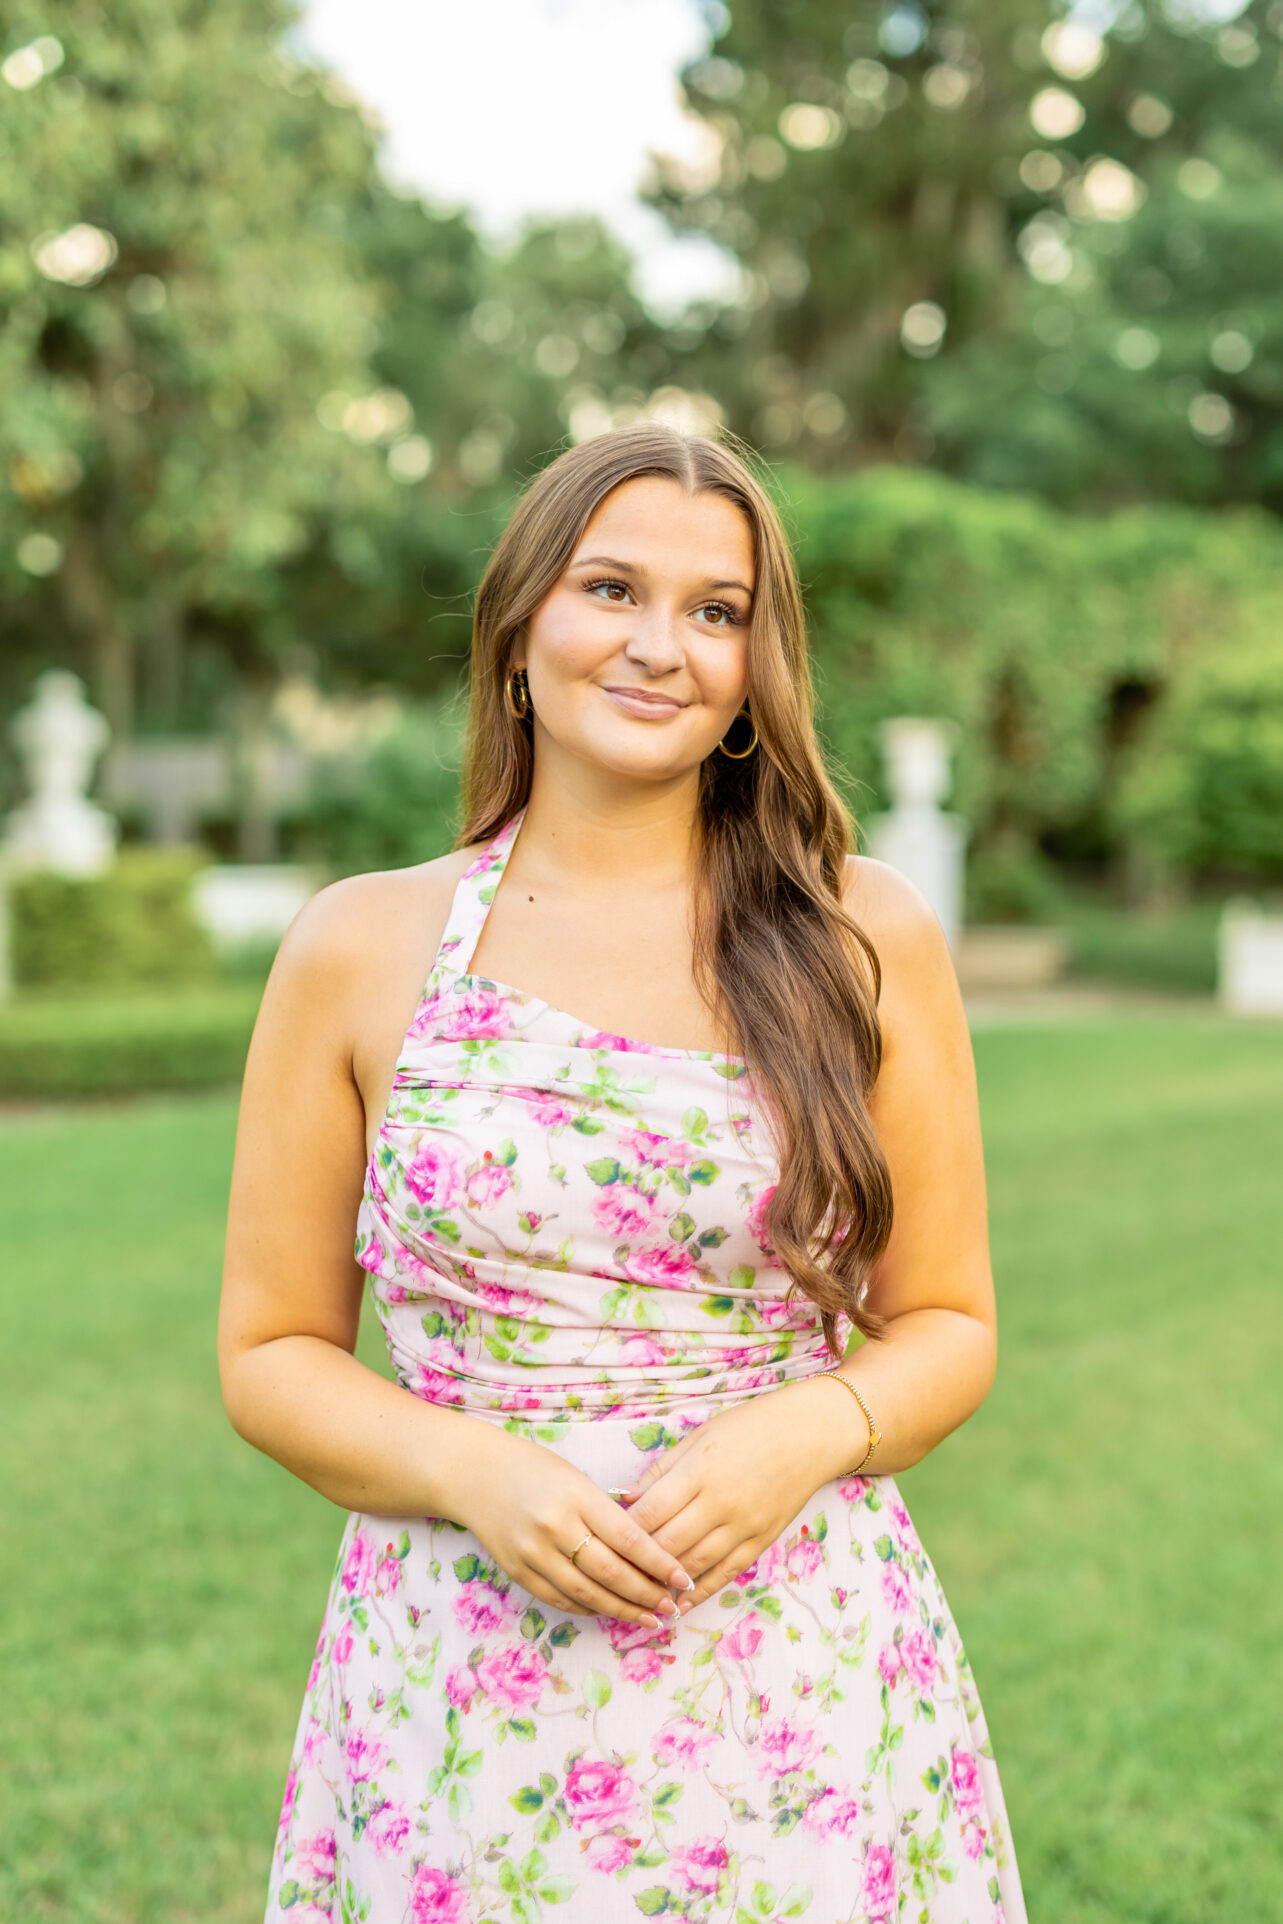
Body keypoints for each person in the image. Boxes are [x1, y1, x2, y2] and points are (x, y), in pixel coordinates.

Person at [219, 421, 1027, 1922]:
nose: (664, 644)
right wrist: (472, 1469)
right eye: (612, 590)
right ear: (520, 630)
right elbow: (270, 1352)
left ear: (752, 670)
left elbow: (952, 1324)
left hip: (797, 1679)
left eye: (716, 610)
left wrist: (818, 1426)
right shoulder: (360, 945)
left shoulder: (863, 933)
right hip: (461, 1691)